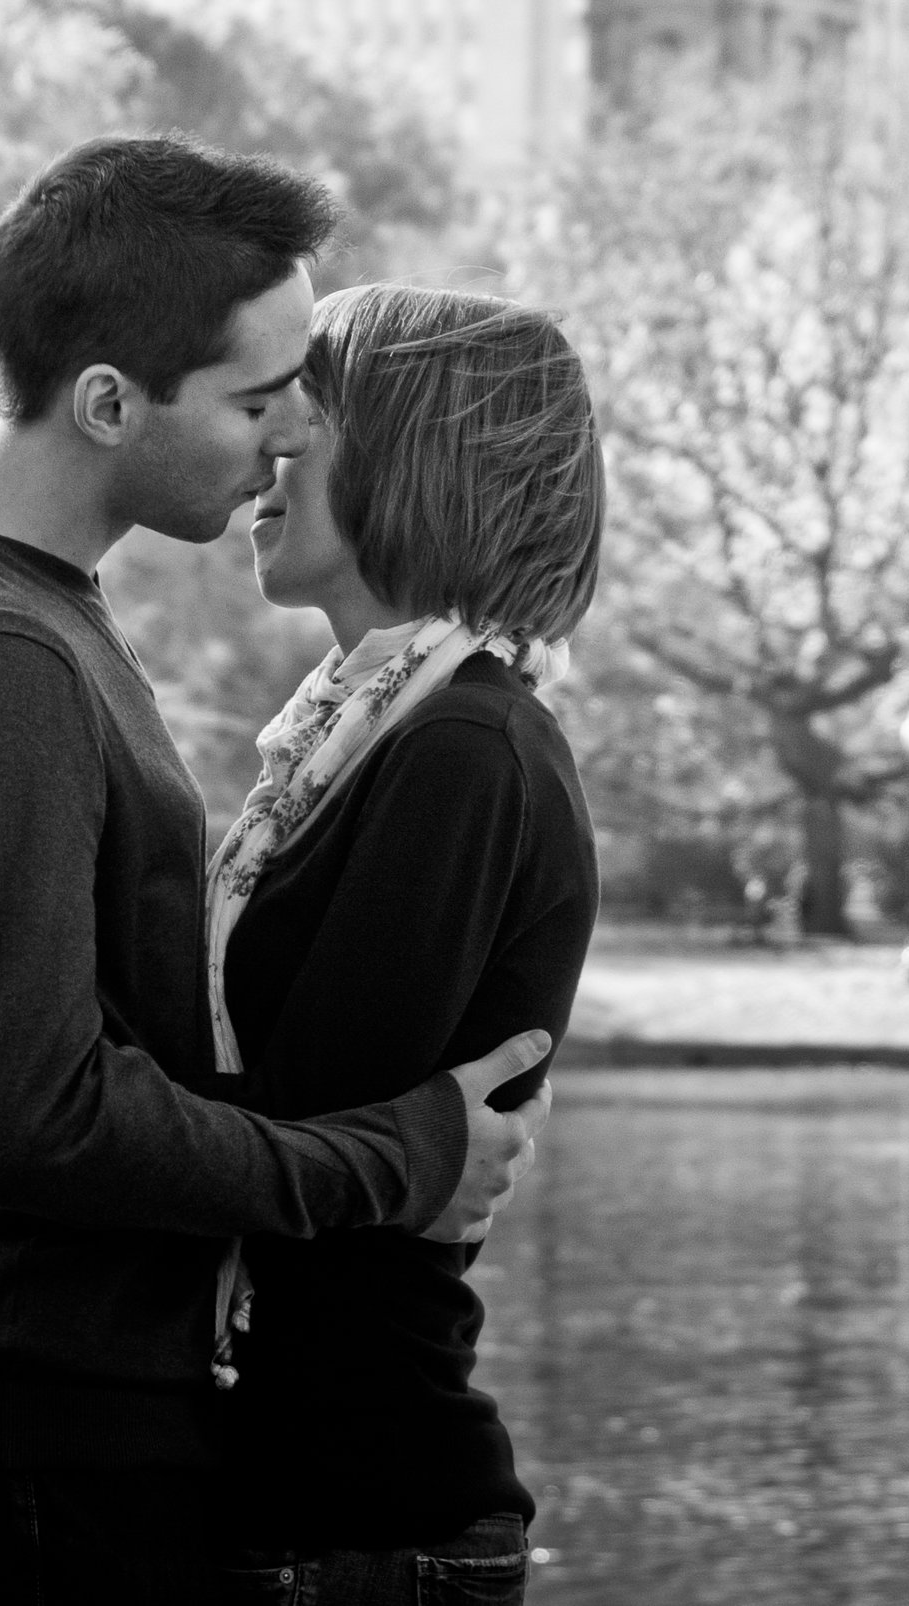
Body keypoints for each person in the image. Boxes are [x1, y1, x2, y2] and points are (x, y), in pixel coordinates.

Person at [0, 136, 554, 1606]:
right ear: (107, 400)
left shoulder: (31, 615)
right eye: (256, 397)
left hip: (48, 1402)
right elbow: (36, 1116)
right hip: (11, 1417)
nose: (288, 437)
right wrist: (406, 1157)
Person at [209, 285, 605, 1606]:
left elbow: (292, 1148)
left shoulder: (462, 750)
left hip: (362, 1528)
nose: (265, 448)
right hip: (307, 1507)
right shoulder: (365, 737)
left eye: (299, 415)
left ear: (416, 449)